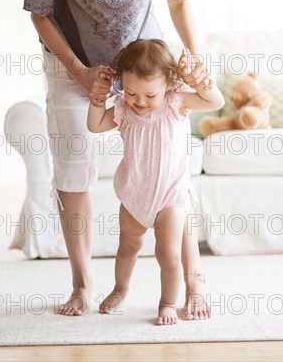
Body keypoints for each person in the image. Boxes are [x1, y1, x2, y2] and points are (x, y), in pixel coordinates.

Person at [24, 0, 212, 318]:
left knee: (171, 168)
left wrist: (195, 59)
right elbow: (41, 15)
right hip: (72, 57)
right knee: (74, 160)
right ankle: (83, 284)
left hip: (142, 58)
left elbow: (179, 2)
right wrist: (80, 72)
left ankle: (194, 282)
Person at [87, 39, 225, 325]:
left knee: (169, 253)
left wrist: (199, 81)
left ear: (168, 84)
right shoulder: (124, 107)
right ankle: (120, 288)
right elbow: (96, 125)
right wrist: (97, 102)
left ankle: (166, 303)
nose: (139, 101)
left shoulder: (176, 101)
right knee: (127, 247)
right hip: (135, 194)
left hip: (170, 197)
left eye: (149, 95)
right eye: (132, 91)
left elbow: (215, 102)